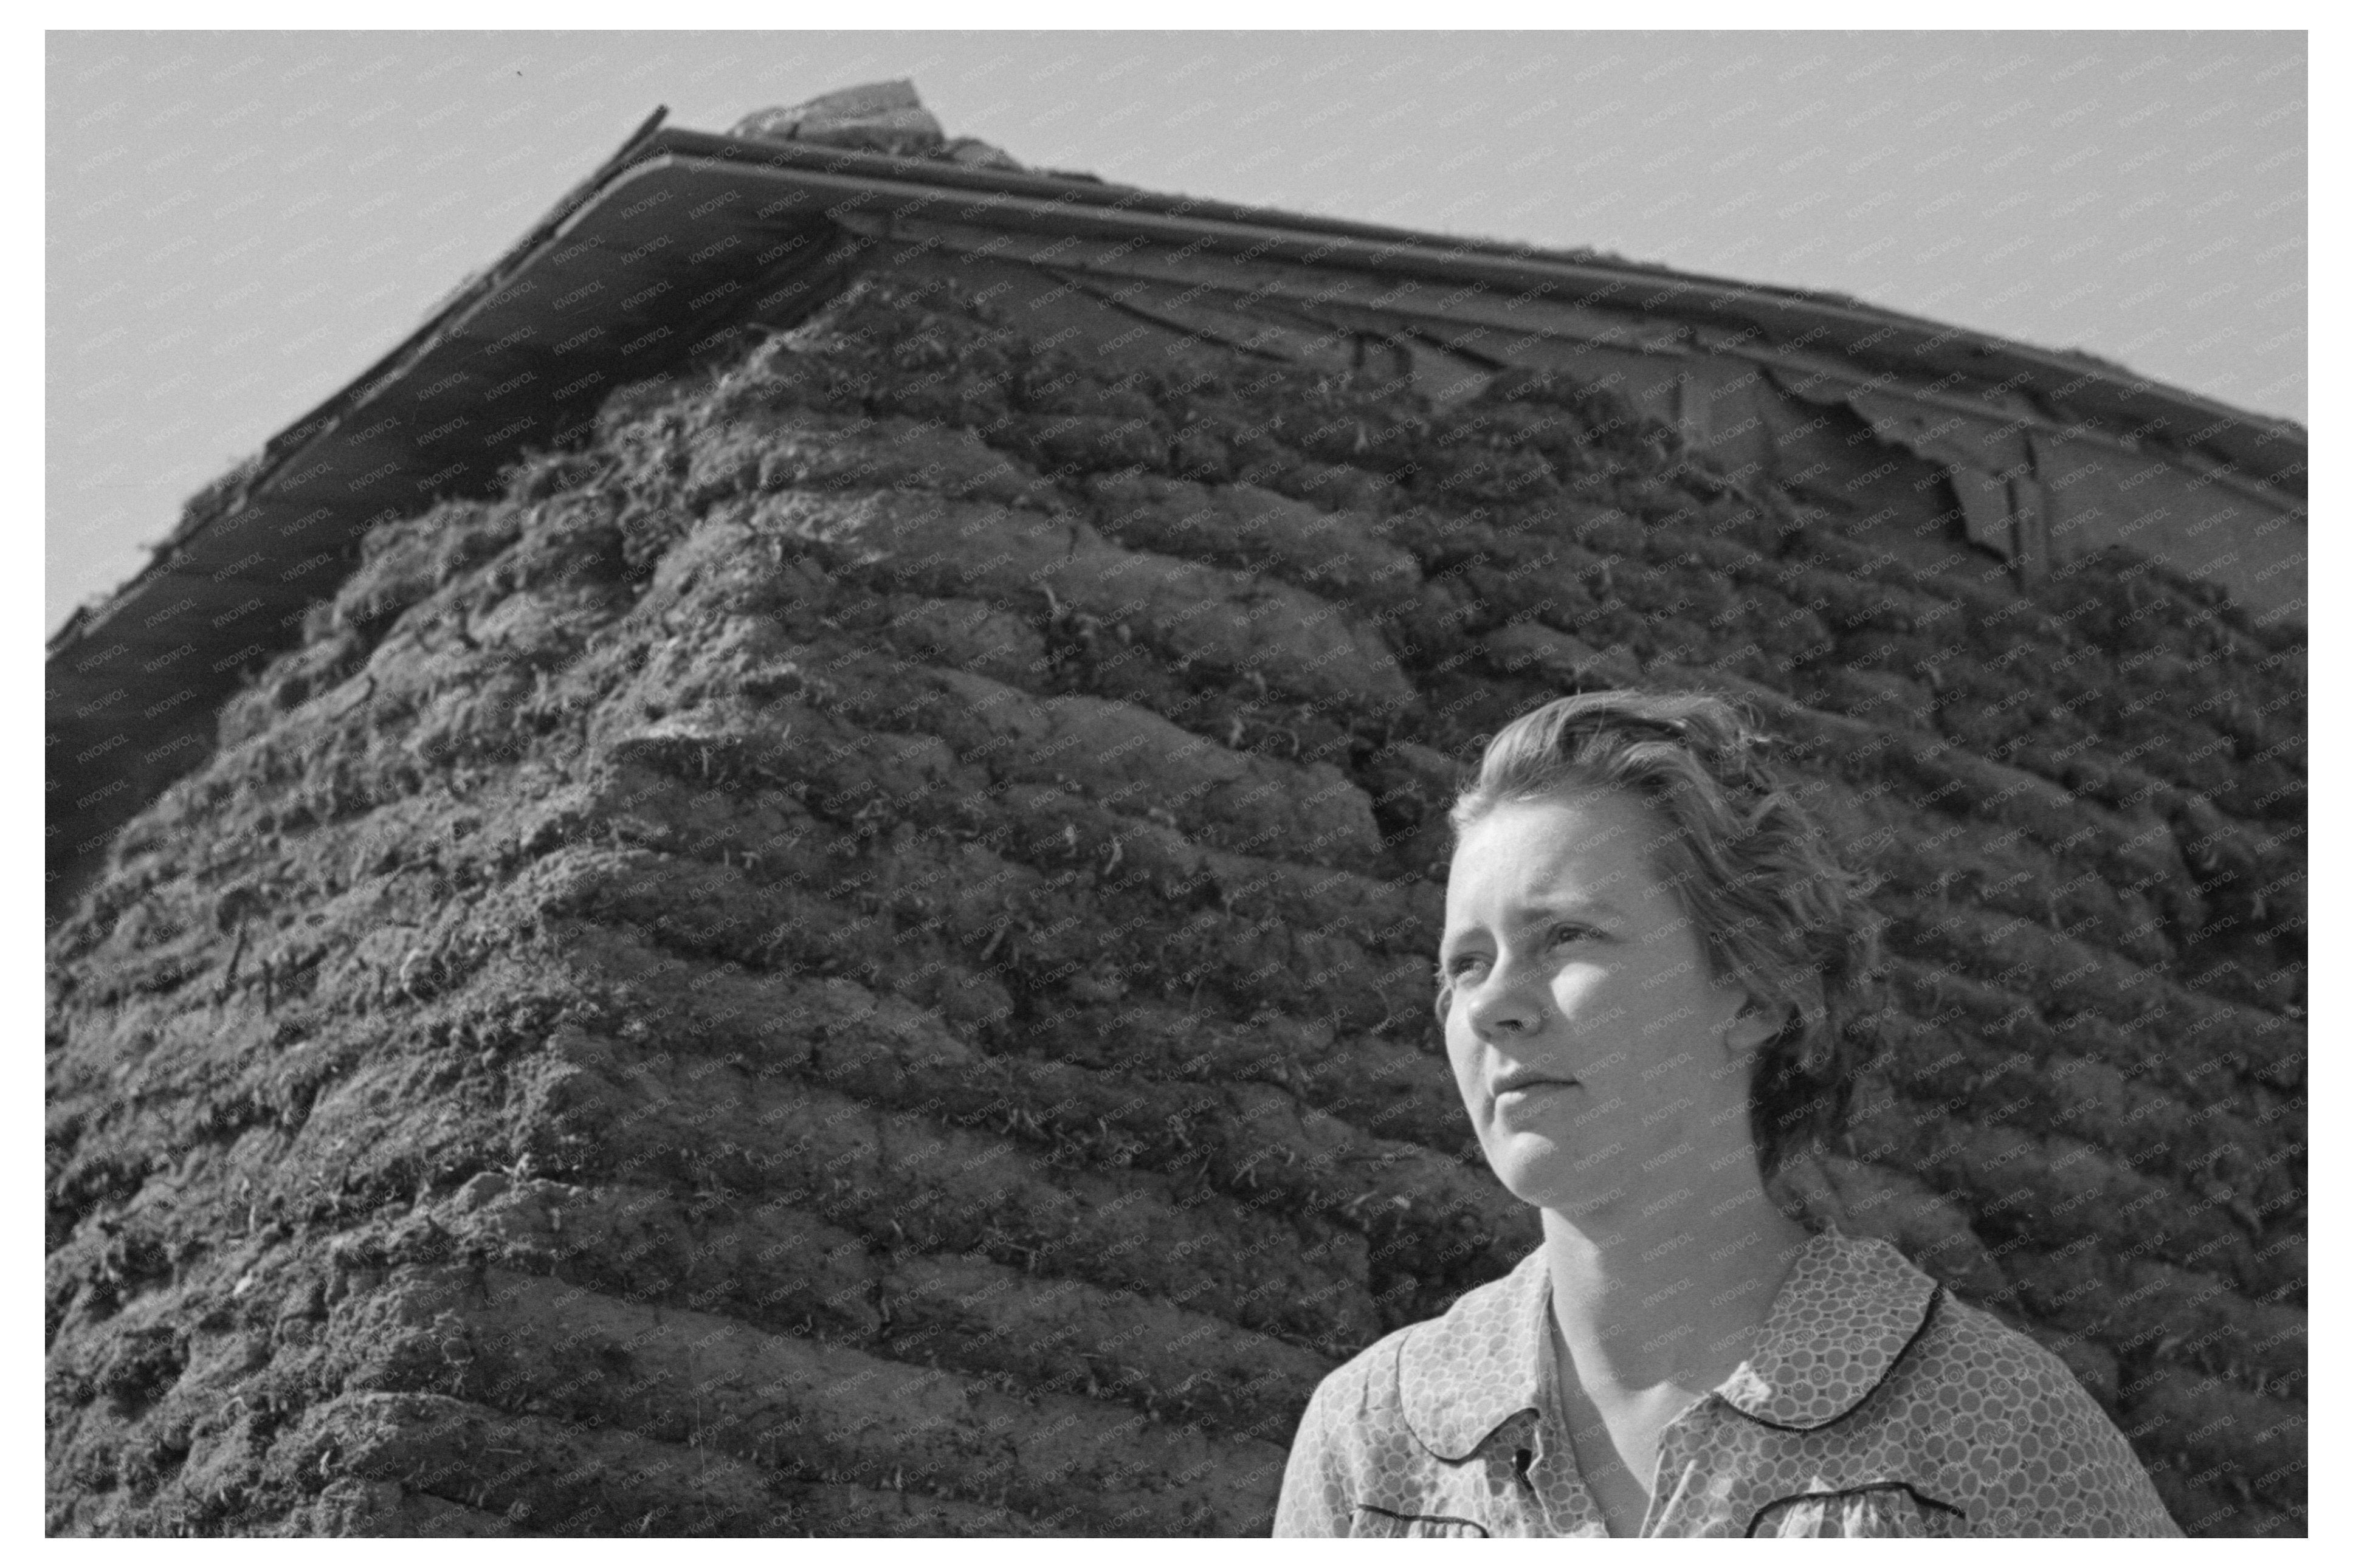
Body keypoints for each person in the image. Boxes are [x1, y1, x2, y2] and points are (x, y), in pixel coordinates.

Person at [1273, 689, 2180, 1538]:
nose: (1490, 1004)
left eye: (1565, 936)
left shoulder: (1984, 1432)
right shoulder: (1372, 1450)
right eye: (1466, 962)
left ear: (1748, 991)